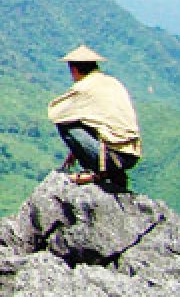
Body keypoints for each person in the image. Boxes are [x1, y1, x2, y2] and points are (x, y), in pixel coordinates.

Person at [47, 44, 141, 191]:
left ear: (74, 69)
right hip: (131, 155)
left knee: (65, 123)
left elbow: (55, 112)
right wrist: (76, 151)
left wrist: (79, 148)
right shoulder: (113, 82)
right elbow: (100, 121)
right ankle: (113, 173)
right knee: (78, 119)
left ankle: (97, 173)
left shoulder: (85, 87)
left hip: (110, 158)